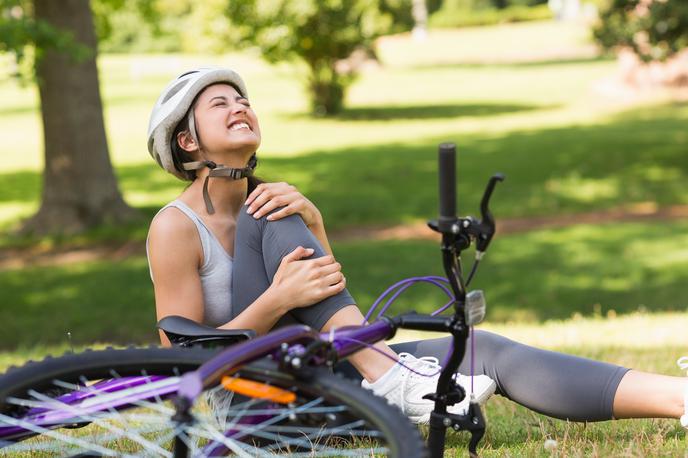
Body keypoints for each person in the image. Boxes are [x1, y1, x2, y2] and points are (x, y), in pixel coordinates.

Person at [146, 67, 688, 427]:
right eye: (220, 104)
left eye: (243, 99)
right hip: (245, 408)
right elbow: (179, 365)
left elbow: (322, 304)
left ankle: (676, 398)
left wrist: (318, 226)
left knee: (482, 350)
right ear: (187, 142)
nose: (240, 106)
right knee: (275, 211)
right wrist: (274, 298)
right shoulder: (175, 227)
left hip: (310, 370)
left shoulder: (272, 206)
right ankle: (388, 377)